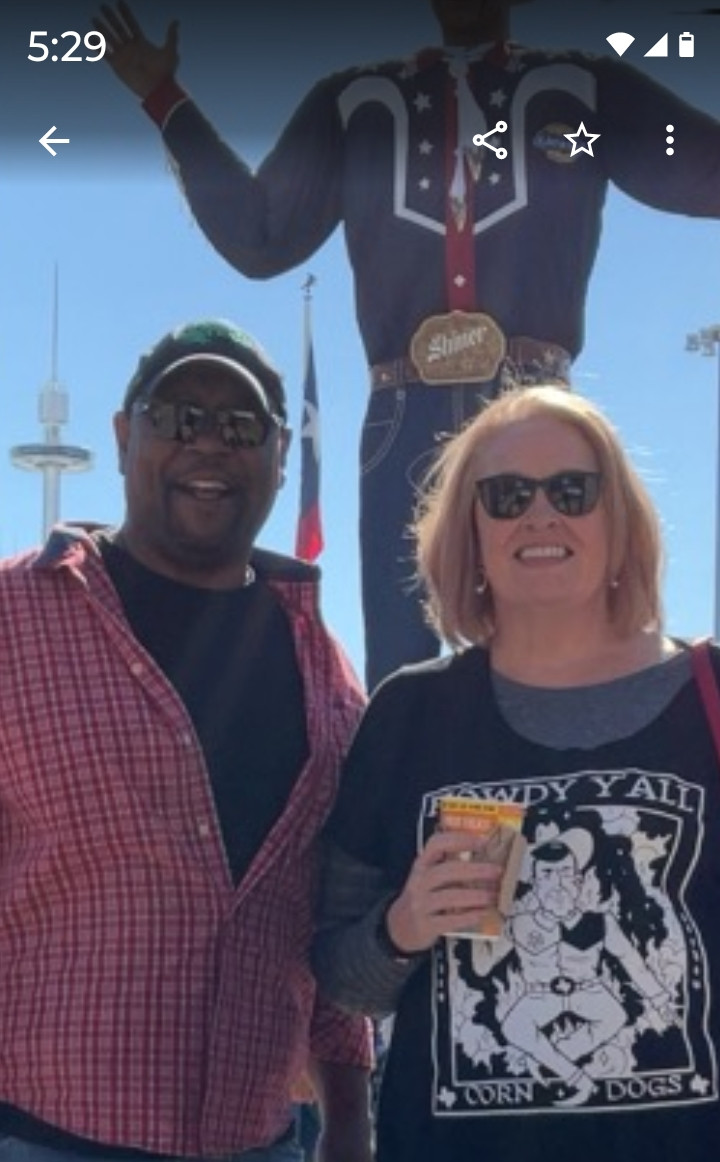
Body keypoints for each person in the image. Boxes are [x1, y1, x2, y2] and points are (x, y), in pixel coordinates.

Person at [312, 382, 720, 1162]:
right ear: (469, 536)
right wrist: (402, 923)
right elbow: (338, 966)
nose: (541, 514)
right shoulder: (412, 718)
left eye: (571, 487)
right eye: (507, 494)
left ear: (619, 521)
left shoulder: (709, 696)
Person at [0, 316, 374, 1162]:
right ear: (122, 436)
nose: (209, 445)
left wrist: (358, 1136)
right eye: (180, 413)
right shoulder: (12, 619)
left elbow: (331, 919)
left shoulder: (325, 665)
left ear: (277, 461)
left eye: (241, 425)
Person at [94, 0, 720, 689]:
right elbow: (260, 233)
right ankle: (419, 796)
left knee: (562, 634)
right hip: (402, 413)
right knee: (409, 659)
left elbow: (699, 167)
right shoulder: (353, 103)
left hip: (534, 404)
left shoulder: (582, 89)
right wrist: (164, 99)